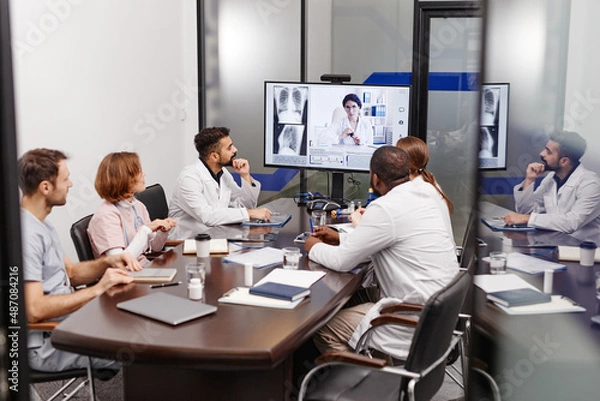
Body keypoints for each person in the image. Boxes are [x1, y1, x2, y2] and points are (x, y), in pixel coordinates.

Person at [305, 146, 459, 359]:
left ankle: (373, 382)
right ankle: (381, 365)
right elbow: (394, 240)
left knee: (323, 329)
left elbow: (342, 262)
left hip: (410, 319)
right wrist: (341, 238)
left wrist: (312, 246)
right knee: (354, 295)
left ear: (375, 179)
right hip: (438, 312)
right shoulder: (425, 192)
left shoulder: (385, 207)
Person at [19, 148, 141, 372]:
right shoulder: (26, 235)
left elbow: (72, 274)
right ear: (45, 187)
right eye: (65, 179)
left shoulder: (43, 224)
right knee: (139, 343)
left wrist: (108, 262)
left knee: (139, 321)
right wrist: (98, 290)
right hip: (47, 342)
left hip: (68, 322)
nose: (71, 184)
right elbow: (34, 309)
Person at [169, 127, 272, 239]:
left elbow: (244, 206)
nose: (235, 150)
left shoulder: (222, 173)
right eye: (229, 148)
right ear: (214, 156)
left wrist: (245, 175)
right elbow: (208, 217)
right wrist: (248, 213)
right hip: (186, 244)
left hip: (216, 238)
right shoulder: (189, 178)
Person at [504, 130, 600, 236]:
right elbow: (526, 212)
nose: (542, 154)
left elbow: (571, 223)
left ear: (564, 161)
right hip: (557, 243)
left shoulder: (591, 184)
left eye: (548, 152)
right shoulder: (550, 179)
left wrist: (527, 218)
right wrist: (529, 180)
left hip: (582, 248)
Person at [87, 152, 177, 262]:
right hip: (125, 276)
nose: (144, 174)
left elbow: (154, 248)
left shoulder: (138, 206)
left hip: (144, 268)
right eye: (138, 171)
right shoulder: (105, 216)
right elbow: (121, 263)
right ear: (123, 178)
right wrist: (145, 230)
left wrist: (163, 231)